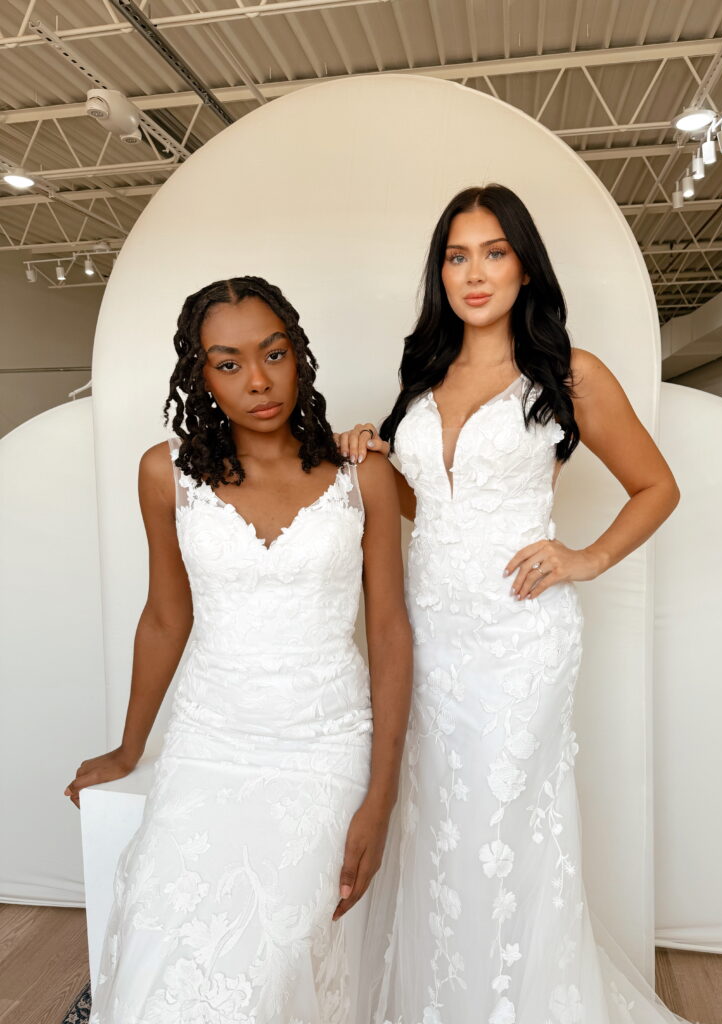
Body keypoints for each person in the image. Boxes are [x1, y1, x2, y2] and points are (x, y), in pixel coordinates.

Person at [337, 185, 688, 1024]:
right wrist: (373, 458)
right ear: (441, 273)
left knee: (501, 833)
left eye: (493, 252)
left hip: (520, 640)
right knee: (435, 830)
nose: (474, 273)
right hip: (428, 635)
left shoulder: (568, 372)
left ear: (524, 266)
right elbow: (431, 506)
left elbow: (657, 486)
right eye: (457, 257)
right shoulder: (422, 374)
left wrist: (586, 556)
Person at [63, 275, 412, 1023]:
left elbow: (389, 633)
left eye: (274, 352)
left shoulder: (364, 475)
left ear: (299, 355)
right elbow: (164, 617)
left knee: (272, 960)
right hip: (209, 742)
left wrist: (381, 796)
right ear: (199, 376)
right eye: (227, 363)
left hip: (324, 747)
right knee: (165, 943)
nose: (258, 380)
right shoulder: (166, 474)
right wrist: (129, 750)